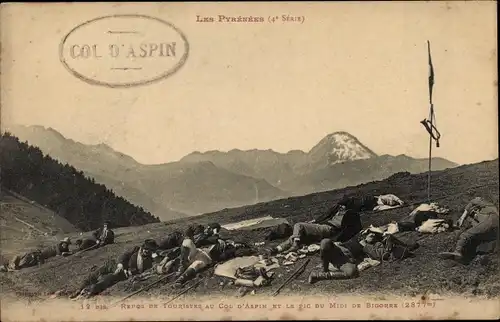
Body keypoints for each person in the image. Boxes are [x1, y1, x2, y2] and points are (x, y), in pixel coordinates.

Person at [69, 239, 159, 299]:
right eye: (146, 249)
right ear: (143, 247)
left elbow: (144, 269)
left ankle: (89, 291)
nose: (147, 251)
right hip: (115, 265)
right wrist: (120, 265)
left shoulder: (151, 259)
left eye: (150, 250)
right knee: (96, 274)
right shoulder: (136, 249)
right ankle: (79, 289)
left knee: (108, 278)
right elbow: (124, 256)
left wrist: (127, 271)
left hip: (124, 273)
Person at [172, 229, 255, 288]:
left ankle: (180, 280)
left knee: (198, 263)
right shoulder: (196, 260)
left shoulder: (189, 247)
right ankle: (180, 278)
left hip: (208, 254)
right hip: (208, 255)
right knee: (232, 252)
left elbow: (188, 246)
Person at [267, 204, 362, 254]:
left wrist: (336, 239)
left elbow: (347, 229)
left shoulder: (349, 214)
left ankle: (295, 245)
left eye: (343, 206)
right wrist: (314, 222)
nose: (341, 207)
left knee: (298, 225)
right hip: (325, 228)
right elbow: (326, 216)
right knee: (298, 235)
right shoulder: (339, 213)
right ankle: (277, 249)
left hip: (328, 229)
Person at [439, 197, 499, 263]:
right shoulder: (472, 220)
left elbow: (474, 200)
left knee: (466, 235)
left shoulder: (486, 206)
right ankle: (458, 254)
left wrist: (462, 216)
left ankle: (457, 251)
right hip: (492, 229)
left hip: (492, 219)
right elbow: (473, 229)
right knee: (471, 237)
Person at [6, 237, 73, 271]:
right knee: (26, 264)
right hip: (39, 256)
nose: (65, 245)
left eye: (67, 244)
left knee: (27, 263)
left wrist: (68, 252)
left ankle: (14, 267)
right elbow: (60, 254)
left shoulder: (64, 247)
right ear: (62, 243)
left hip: (40, 256)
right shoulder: (58, 246)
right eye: (65, 244)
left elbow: (65, 252)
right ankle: (13, 267)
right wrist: (68, 253)